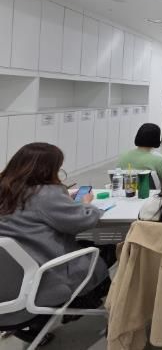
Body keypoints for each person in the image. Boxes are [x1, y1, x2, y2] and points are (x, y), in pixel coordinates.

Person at [0, 143, 110, 345]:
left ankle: (37, 326)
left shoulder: (6, 189)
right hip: (42, 280)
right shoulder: (45, 194)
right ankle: (82, 304)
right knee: (106, 249)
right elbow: (82, 220)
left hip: (7, 281)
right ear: (47, 169)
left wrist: (62, 200)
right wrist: (86, 203)